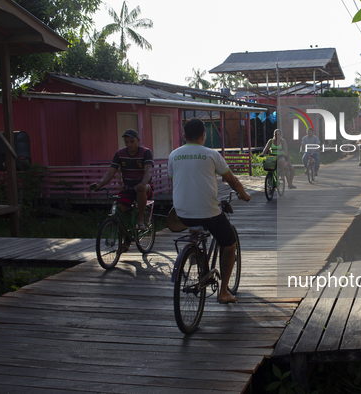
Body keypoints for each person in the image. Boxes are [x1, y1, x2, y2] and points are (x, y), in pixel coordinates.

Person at [168, 118, 251, 304]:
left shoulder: (174, 155)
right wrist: (244, 195)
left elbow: (175, 178)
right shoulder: (211, 154)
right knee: (229, 243)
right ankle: (223, 292)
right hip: (209, 213)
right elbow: (232, 180)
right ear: (203, 136)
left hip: (181, 214)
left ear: (184, 136)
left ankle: (195, 254)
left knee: (194, 221)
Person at [89, 129, 154, 251]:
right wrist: (100, 185)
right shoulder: (120, 154)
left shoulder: (146, 152)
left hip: (144, 186)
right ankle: (126, 239)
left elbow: (148, 171)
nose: (129, 144)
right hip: (128, 188)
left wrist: (142, 183)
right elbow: (110, 172)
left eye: (132, 141)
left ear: (138, 141)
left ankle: (140, 219)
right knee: (116, 214)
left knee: (141, 190)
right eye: (126, 142)